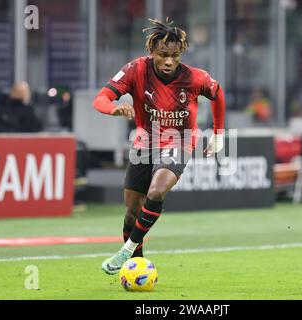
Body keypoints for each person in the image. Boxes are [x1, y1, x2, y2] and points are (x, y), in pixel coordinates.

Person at [93, 18, 226, 275]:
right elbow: (101, 98)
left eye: (174, 56)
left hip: (181, 139)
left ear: (180, 55)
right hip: (147, 138)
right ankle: (137, 267)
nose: (168, 61)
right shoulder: (135, 70)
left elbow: (217, 93)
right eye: (163, 55)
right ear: (152, 51)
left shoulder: (194, 77)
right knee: (132, 211)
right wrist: (113, 108)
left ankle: (127, 250)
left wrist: (219, 133)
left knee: (157, 190)